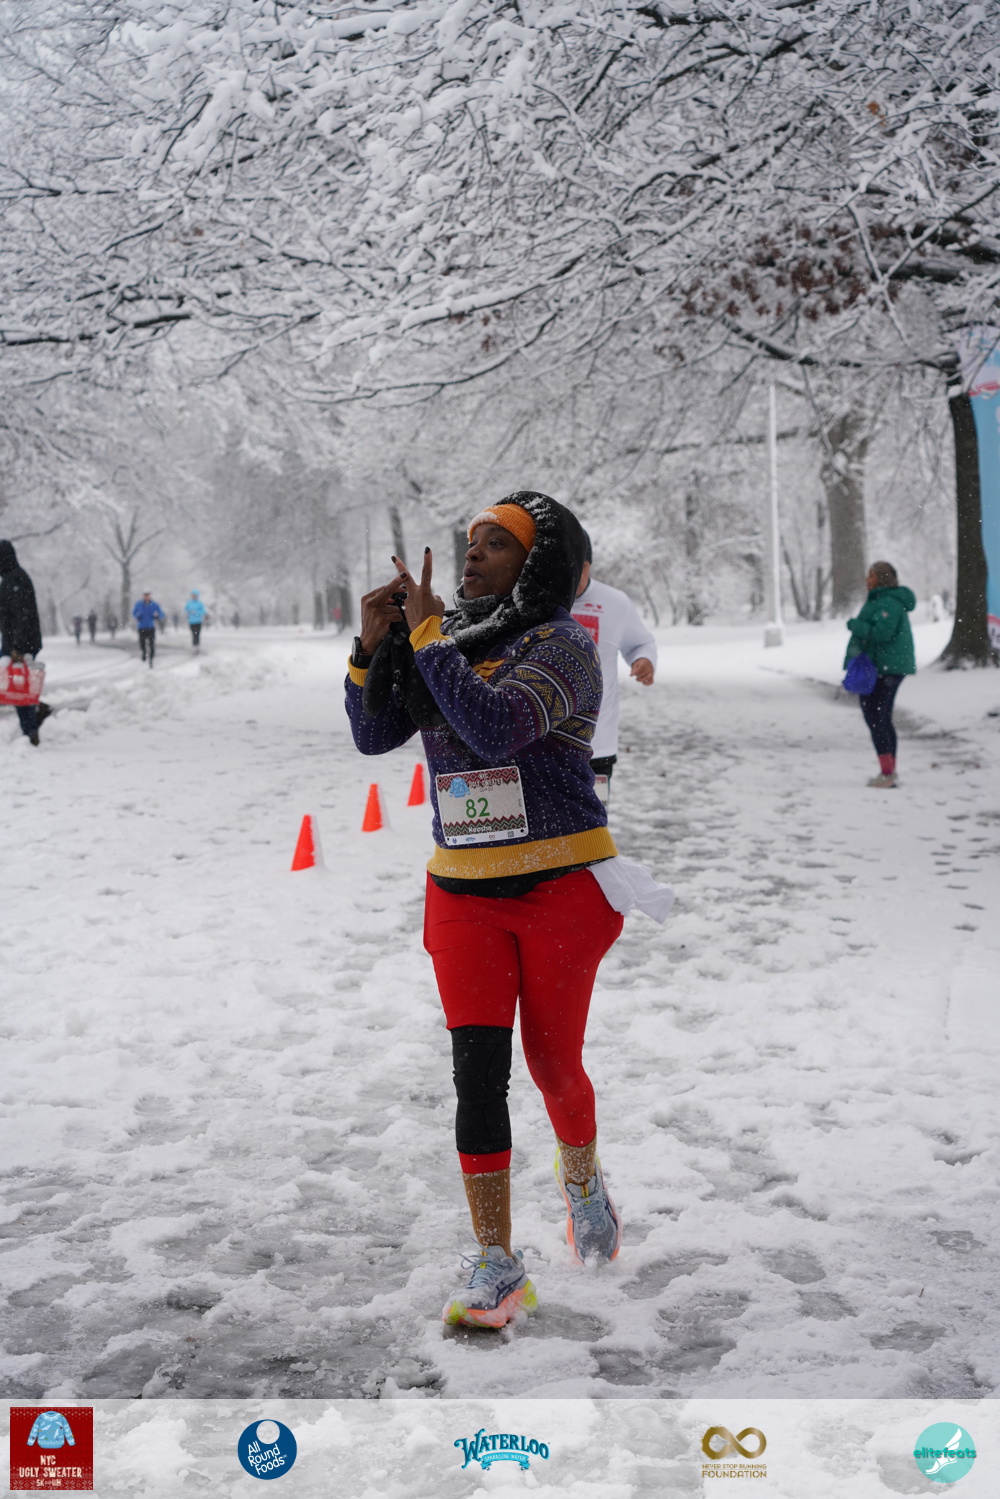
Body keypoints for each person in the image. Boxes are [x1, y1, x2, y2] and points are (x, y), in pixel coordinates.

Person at [346, 493, 626, 1329]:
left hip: (559, 887)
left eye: (497, 543)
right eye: (472, 540)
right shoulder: (450, 640)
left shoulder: (563, 645)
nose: (474, 553)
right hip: (462, 891)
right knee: (476, 1072)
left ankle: (582, 1180)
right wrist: (372, 647)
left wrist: (429, 637)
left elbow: (497, 726)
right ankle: (498, 1261)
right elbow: (373, 735)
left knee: (554, 1066)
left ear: (538, 564)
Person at [570, 534, 657, 802]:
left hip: (598, 745)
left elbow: (640, 643)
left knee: (593, 822)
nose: (572, 577)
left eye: (579, 568)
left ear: (588, 566)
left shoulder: (615, 602)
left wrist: (644, 660)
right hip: (541, 746)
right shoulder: (537, 602)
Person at [844, 561, 916, 788]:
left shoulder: (889, 602)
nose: (868, 580)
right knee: (878, 717)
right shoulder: (880, 600)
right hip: (881, 667)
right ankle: (888, 771)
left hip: (887, 668)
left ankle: (888, 774)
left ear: (882, 578)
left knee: (877, 718)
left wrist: (855, 626)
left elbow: (883, 633)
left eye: (872, 576)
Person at [0, 540, 51, 746]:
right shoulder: (12, 578)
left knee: (18, 688)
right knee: (17, 686)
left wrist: (18, 648)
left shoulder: (15, 580)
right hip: (17, 642)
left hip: (20, 644)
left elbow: (23, 616)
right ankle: (36, 713)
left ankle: (30, 732)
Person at [131, 591, 165, 665]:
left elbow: (161, 613)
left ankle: (151, 658)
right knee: (142, 642)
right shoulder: (139, 604)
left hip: (151, 627)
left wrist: (157, 616)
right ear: (143, 596)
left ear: (150, 596)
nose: (146, 597)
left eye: (148, 595)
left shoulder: (154, 604)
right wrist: (138, 616)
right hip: (141, 627)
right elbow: (133, 613)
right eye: (145, 595)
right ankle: (144, 653)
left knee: (151, 643)